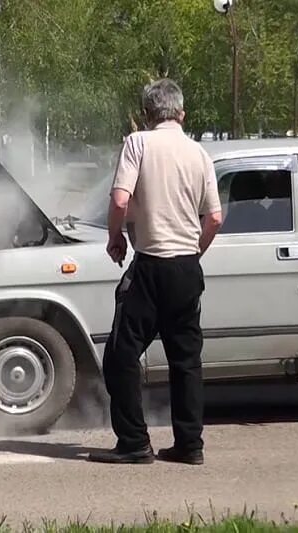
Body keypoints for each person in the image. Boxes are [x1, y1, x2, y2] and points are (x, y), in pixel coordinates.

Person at [87, 78, 223, 466]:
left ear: (148, 114)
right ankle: (189, 445)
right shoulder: (199, 154)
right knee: (186, 360)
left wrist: (116, 237)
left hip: (149, 268)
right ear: (181, 113)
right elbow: (213, 217)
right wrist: (193, 251)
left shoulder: (138, 144)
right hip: (185, 268)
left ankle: (134, 442)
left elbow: (118, 199)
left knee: (121, 355)